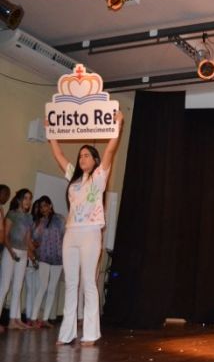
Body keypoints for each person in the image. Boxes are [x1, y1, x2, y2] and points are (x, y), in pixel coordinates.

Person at [48, 111, 123, 345]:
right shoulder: (73, 178)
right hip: (71, 233)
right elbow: (59, 154)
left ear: (95, 160)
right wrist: (51, 132)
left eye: (87, 155)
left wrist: (118, 125)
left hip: (91, 232)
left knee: (88, 282)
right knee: (71, 284)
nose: (82, 158)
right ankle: (67, 333)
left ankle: (90, 333)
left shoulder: (99, 176)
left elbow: (110, 151)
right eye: (80, 155)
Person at [29, 196, 66, 328]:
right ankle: (33, 318)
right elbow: (34, 238)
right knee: (43, 287)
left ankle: (45, 319)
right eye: (41, 207)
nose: (43, 209)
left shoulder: (60, 219)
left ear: (50, 205)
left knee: (52, 289)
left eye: (45, 205)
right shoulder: (39, 222)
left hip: (58, 259)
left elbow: (65, 236)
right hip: (44, 258)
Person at [0, 188, 33, 330]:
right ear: (19, 199)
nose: (28, 201)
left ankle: (13, 320)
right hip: (10, 252)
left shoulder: (29, 218)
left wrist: (31, 255)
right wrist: (11, 252)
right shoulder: (11, 214)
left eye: (30, 198)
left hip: (23, 253)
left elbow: (27, 239)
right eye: (25, 198)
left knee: (18, 288)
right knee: (4, 287)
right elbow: (5, 236)